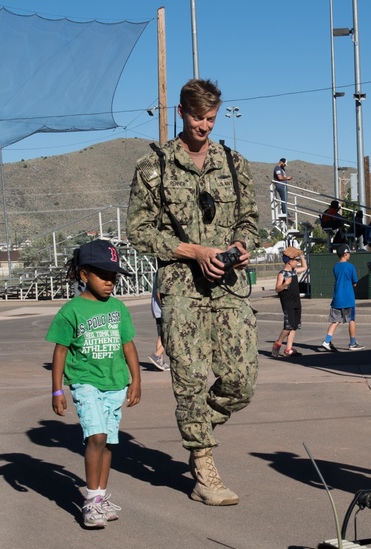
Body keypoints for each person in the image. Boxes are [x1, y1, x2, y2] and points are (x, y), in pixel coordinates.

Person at [127, 78, 259, 507]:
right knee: (188, 380)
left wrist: (241, 247)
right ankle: (204, 468)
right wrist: (193, 251)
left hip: (229, 287)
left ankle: (197, 430)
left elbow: (250, 219)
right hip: (182, 288)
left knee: (241, 381)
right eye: (198, 117)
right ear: (181, 112)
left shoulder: (233, 163)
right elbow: (139, 231)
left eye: (211, 118)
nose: (205, 126)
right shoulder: (155, 167)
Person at [46, 240, 142, 529]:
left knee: (109, 442)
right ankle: (90, 503)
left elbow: (128, 345)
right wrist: (57, 389)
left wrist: (136, 379)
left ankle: (100, 496)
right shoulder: (71, 311)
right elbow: (60, 351)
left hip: (115, 384)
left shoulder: (118, 308)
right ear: (84, 274)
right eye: (103, 275)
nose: (110, 282)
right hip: (85, 382)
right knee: (96, 437)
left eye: (113, 276)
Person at [320, 244, 365, 351]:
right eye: (349, 253)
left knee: (335, 321)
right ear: (345, 254)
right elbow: (355, 282)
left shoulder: (335, 266)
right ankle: (352, 343)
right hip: (348, 298)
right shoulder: (350, 267)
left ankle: (326, 341)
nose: (349, 255)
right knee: (352, 320)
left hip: (337, 298)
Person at [272, 246, 307, 358]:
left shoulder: (294, 271)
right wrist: (285, 284)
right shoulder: (282, 274)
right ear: (289, 261)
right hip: (288, 303)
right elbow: (277, 289)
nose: (297, 262)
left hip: (296, 302)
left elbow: (305, 267)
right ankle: (278, 343)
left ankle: (288, 349)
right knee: (288, 326)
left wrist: (302, 256)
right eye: (295, 260)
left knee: (294, 326)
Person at [148, 275, 170, 371]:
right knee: (170, 334)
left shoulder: (157, 272)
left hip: (157, 310)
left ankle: (159, 361)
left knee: (161, 335)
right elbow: (159, 292)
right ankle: (157, 355)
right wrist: (165, 306)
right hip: (162, 310)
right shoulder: (162, 272)